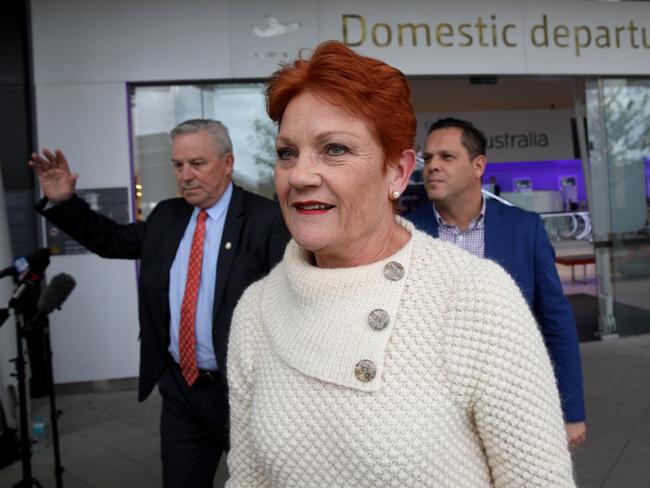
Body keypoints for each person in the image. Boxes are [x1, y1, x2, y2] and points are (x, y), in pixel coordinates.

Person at [225, 41, 575, 487]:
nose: (299, 175)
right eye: (287, 153)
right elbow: (249, 480)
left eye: (334, 149)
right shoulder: (255, 311)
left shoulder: (473, 297)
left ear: (397, 172)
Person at [28, 119, 289, 487]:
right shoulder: (168, 216)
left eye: (197, 164)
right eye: (177, 165)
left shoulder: (265, 219)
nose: (185, 175)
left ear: (227, 162)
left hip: (245, 393)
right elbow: (111, 241)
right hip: (181, 389)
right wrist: (65, 203)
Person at [406, 117, 587, 448]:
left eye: (446, 157)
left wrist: (571, 410)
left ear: (478, 166)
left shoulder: (524, 229)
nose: (431, 166)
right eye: (428, 157)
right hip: (433, 411)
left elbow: (555, 323)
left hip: (512, 402)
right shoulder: (404, 233)